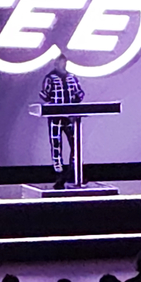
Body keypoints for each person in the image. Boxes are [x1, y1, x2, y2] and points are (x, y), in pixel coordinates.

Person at [39, 52, 86, 188]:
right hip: (55, 116)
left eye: (63, 62)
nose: (62, 64)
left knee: (75, 144)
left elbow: (80, 93)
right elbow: (45, 94)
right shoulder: (50, 78)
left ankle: (73, 171)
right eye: (59, 62)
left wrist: (74, 105)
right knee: (56, 144)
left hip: (70, 117)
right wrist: (53, 105)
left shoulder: (72, 77)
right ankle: (58, 173)